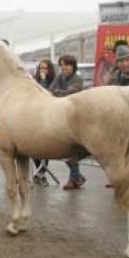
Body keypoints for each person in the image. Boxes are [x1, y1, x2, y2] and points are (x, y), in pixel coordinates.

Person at [49, 55, 86, 189]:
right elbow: (51, 91)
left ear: (73, 66)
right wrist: (59, 92)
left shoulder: (78, 79)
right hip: (63, 116)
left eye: (67, 65)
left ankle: (74, 178)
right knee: (69, 151)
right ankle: (76, 177)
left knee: (73, 151)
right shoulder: (59, 77)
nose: (63, 67)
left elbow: (71, 93)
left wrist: (58, 93)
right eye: (61, 65)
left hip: (77, 117)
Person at [31, 59, 56, 185]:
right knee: (33, 145)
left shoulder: (53, 81)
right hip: (36, 116)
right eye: (41, 68)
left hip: (49, 117)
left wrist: (45, 80)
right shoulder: (35, 81)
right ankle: (38, 170)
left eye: (45, 68)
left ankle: (42, 172)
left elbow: (50, 92)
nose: (43, 71)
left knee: (45, 146)